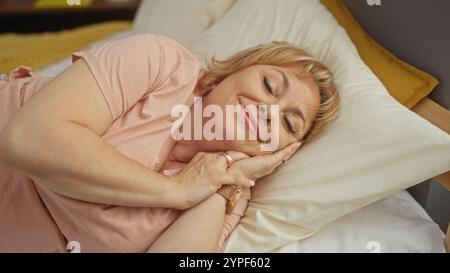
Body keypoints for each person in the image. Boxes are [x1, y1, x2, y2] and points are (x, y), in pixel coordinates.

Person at [0, 33, 340, 252]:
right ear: (224, 75)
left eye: (288, 122)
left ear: (281, 153)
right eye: (269, 85)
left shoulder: (228, 195)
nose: (270, 110)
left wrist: (225, 180)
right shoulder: (163, 64)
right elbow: (27, 139)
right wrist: (178, 192)